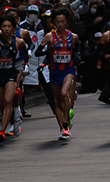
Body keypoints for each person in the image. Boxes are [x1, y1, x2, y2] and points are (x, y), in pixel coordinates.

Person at [35, 9, 79, 140]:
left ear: (67, 22)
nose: (60, 24)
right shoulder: (49, 37)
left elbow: (76, 51)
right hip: (54, 71)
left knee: (64, 93)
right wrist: (48, 50)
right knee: (57, 101)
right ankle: (62, 128)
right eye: (57, 22)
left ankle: (65, 125)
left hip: (68, 70)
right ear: (53, 23)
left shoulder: (73, 37)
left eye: (63, 22)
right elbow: (38, 52)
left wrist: (77, 59)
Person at [0, 15, 27, 142]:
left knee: (8, 100)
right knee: (2, 103)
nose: (7, 29)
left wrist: (26, 65)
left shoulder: (19, 42)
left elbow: (25, 53)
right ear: (0, 27)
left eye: (9, 26)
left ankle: (2, 130)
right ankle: (14, 120)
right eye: (4, 26)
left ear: (13, 28)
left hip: (10, 74)